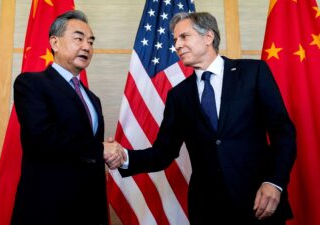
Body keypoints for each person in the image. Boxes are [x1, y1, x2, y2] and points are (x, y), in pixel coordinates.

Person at [116, 12, 296, 225]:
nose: (177, 45)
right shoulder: (178, 96)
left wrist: (274, 182)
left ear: (208, 37)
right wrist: (123, 157)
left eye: (184, 37)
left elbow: (283, 133)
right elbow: (163, 153)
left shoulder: (253, 72)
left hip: (259, 202)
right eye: (175, 40)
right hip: (208, 209)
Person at [11, 10, 124, 225]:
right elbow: (41, 137)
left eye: (90, 42)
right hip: (48, 210)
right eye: (78, 39)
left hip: (89, 210)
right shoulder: (31, 84)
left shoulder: (92, 98)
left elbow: (89, 151)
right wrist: (100, 149)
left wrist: (111, 154)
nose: (87, 47)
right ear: (55, 42)